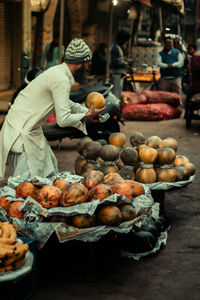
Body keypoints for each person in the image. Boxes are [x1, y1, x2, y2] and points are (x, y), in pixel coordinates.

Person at [0, 38, 104, 181]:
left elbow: (64, 102)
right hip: (21, 130)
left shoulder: (57, 72)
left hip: (28, 128)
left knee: (49, 171)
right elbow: (63, 120)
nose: (87, 68)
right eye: (86, 64)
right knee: (24, 185)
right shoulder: (61, 79)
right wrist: (85, 115)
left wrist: (85, 111)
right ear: (80, 62)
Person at [110, 29, 131, 99]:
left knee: (118, 93)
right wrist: (126, 63)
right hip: (116, 74)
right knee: (115, 93)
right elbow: (115, 63)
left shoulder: (118, 47)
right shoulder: (115, 48)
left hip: (119, 74)